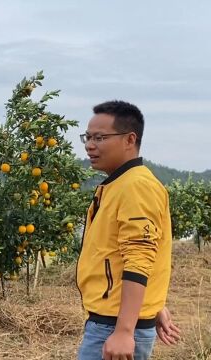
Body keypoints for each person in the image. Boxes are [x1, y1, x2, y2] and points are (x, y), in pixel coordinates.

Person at [76, 100, 181, 360]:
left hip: (114, 325)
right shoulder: (120, 184)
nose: (90, 145)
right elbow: (125, 255)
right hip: (111, 320)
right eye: (87, 137)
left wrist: (124, 329)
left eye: (100, 137)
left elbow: (139, 258)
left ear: (129, 139)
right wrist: (154, 306)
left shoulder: (136, 186)